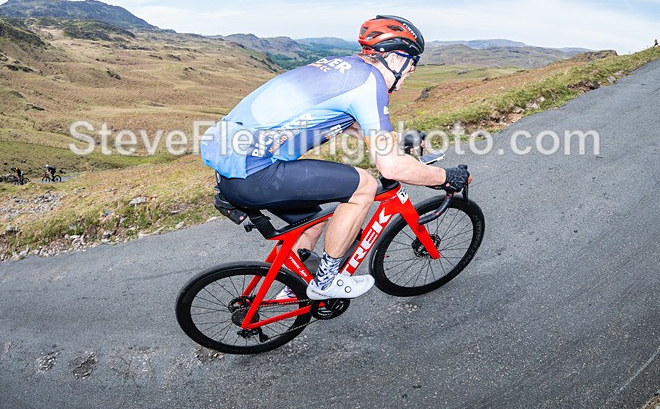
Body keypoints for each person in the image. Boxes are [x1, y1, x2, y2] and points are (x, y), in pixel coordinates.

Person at [200, 15, 470, 301]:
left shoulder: (341, 66)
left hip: (230, 166)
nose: (411, 71)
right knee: (363, 186)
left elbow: (346, 122)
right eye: (412, 63)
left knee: (313, 219)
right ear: (394, 57)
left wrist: (395, 140)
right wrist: (445, 178)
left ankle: (293, 286)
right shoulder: (370, 82)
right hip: (254, 173)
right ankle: (326, 281)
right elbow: (390, 166)